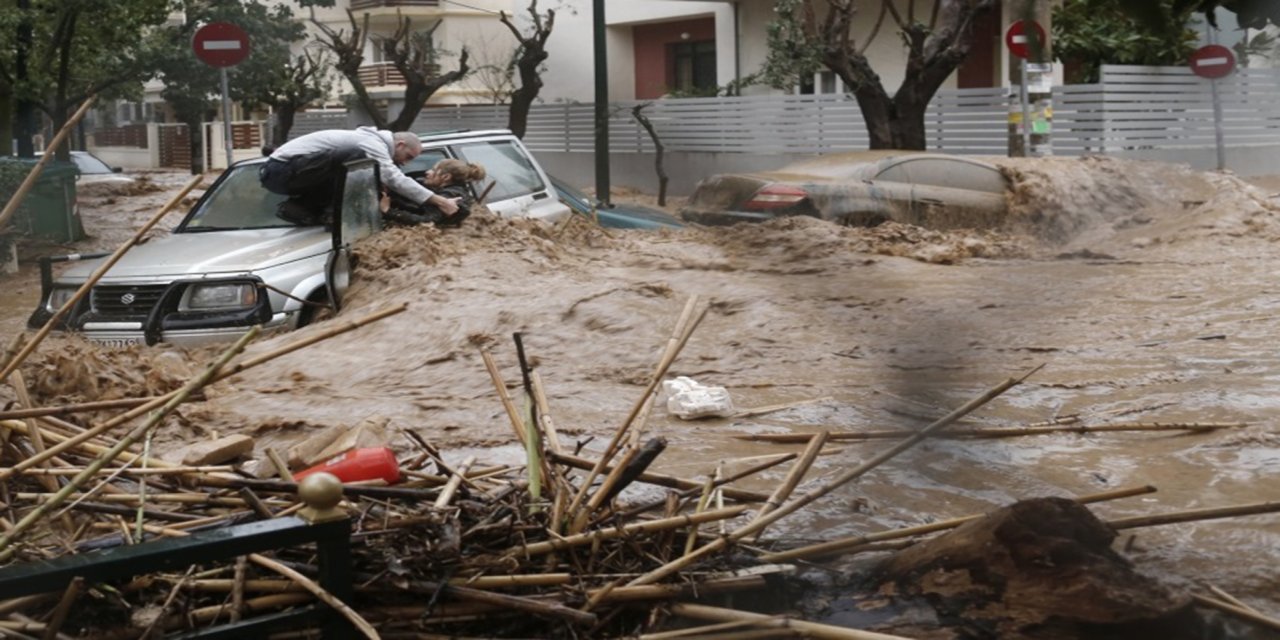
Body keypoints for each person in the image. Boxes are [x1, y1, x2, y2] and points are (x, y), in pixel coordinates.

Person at [258, 126, 459, 225]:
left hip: (289, 173)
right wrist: (440, 201)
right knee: (359, 159)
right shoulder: (370, 143)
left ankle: (303, 208)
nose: (406, 163)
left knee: (367, 169)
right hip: (280, 171)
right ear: (399, 145)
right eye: (408, 156)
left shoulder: (370, 143)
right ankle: (331, 214)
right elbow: (394, 177)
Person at [384, 158, 486, 228]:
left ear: (446, 177)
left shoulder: (449, 196)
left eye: (434, 170)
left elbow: (427, 222)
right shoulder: (453, 191)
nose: (427, 172)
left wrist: (389, 211)